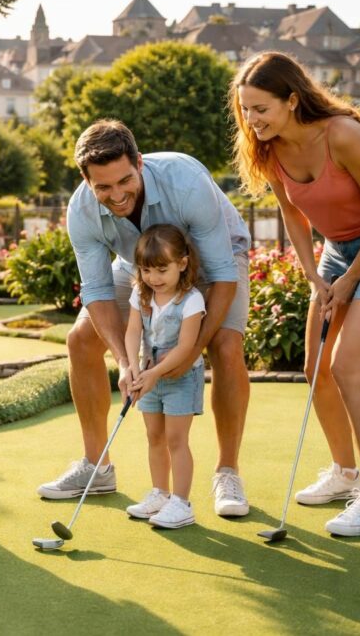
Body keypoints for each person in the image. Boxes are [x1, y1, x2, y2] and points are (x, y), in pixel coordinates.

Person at [231, 51, 360, 536]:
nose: (252, 120)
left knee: (347, 367)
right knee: (314, 366)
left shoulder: (342, 135)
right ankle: (344, 474)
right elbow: (293, 216)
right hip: (337, 251)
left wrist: (351, 278)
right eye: (245, 110)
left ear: (292, 100)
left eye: (261, 109)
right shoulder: (268, 148)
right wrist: (314, 276)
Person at [39, 119, 255, 519]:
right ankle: (97, 466)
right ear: (86, 180)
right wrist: (125, 361)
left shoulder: (184, 180)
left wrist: (189, 352)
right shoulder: (82, 211)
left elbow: (223, 276)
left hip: (216, 259)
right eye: (103, 187)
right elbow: (99, 292)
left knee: (225, 346)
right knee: (81, 339)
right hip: (141, 266)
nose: (117, 195)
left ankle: (228, 471)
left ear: (139, 162)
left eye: (125, 180)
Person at [122, 225, 206, 529]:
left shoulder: (191, 299)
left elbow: (186, 347)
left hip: (181, 377)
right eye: (146, 270)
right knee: (154, 436)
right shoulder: (140, 293)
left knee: (176, 439)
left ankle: (181, 504)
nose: (153, 278)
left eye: (161, 269)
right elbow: (133, 331)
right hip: (149, 376)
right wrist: (133, 366)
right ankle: (160, 493)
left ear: (181, 264)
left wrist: (154, 373)